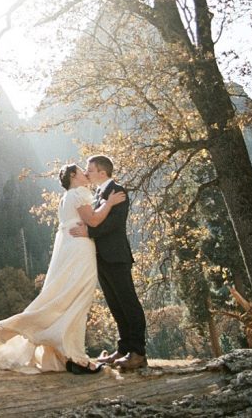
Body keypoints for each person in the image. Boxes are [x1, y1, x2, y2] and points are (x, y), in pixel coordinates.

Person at [0, 163, 126, 374]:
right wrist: (110, 203)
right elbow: (94, 220)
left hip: (70, 250)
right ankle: (74, 356)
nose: (86, 173)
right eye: (81, 170)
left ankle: (67, 353)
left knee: (68, 298)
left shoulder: (67, 197)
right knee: (78, 299)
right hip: (80, 250)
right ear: (74, 177)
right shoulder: (78, 194)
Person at [69, 154, 148, 370]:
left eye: (90, 169)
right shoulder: (97, 194)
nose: (86, 173)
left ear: (103, 173)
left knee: (128, 302)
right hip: (101, 258)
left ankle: (138, 352)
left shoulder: (118, 191)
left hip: (116, 256)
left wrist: (88, 231)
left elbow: (113, 224)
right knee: (115, 304)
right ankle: (123, 349)